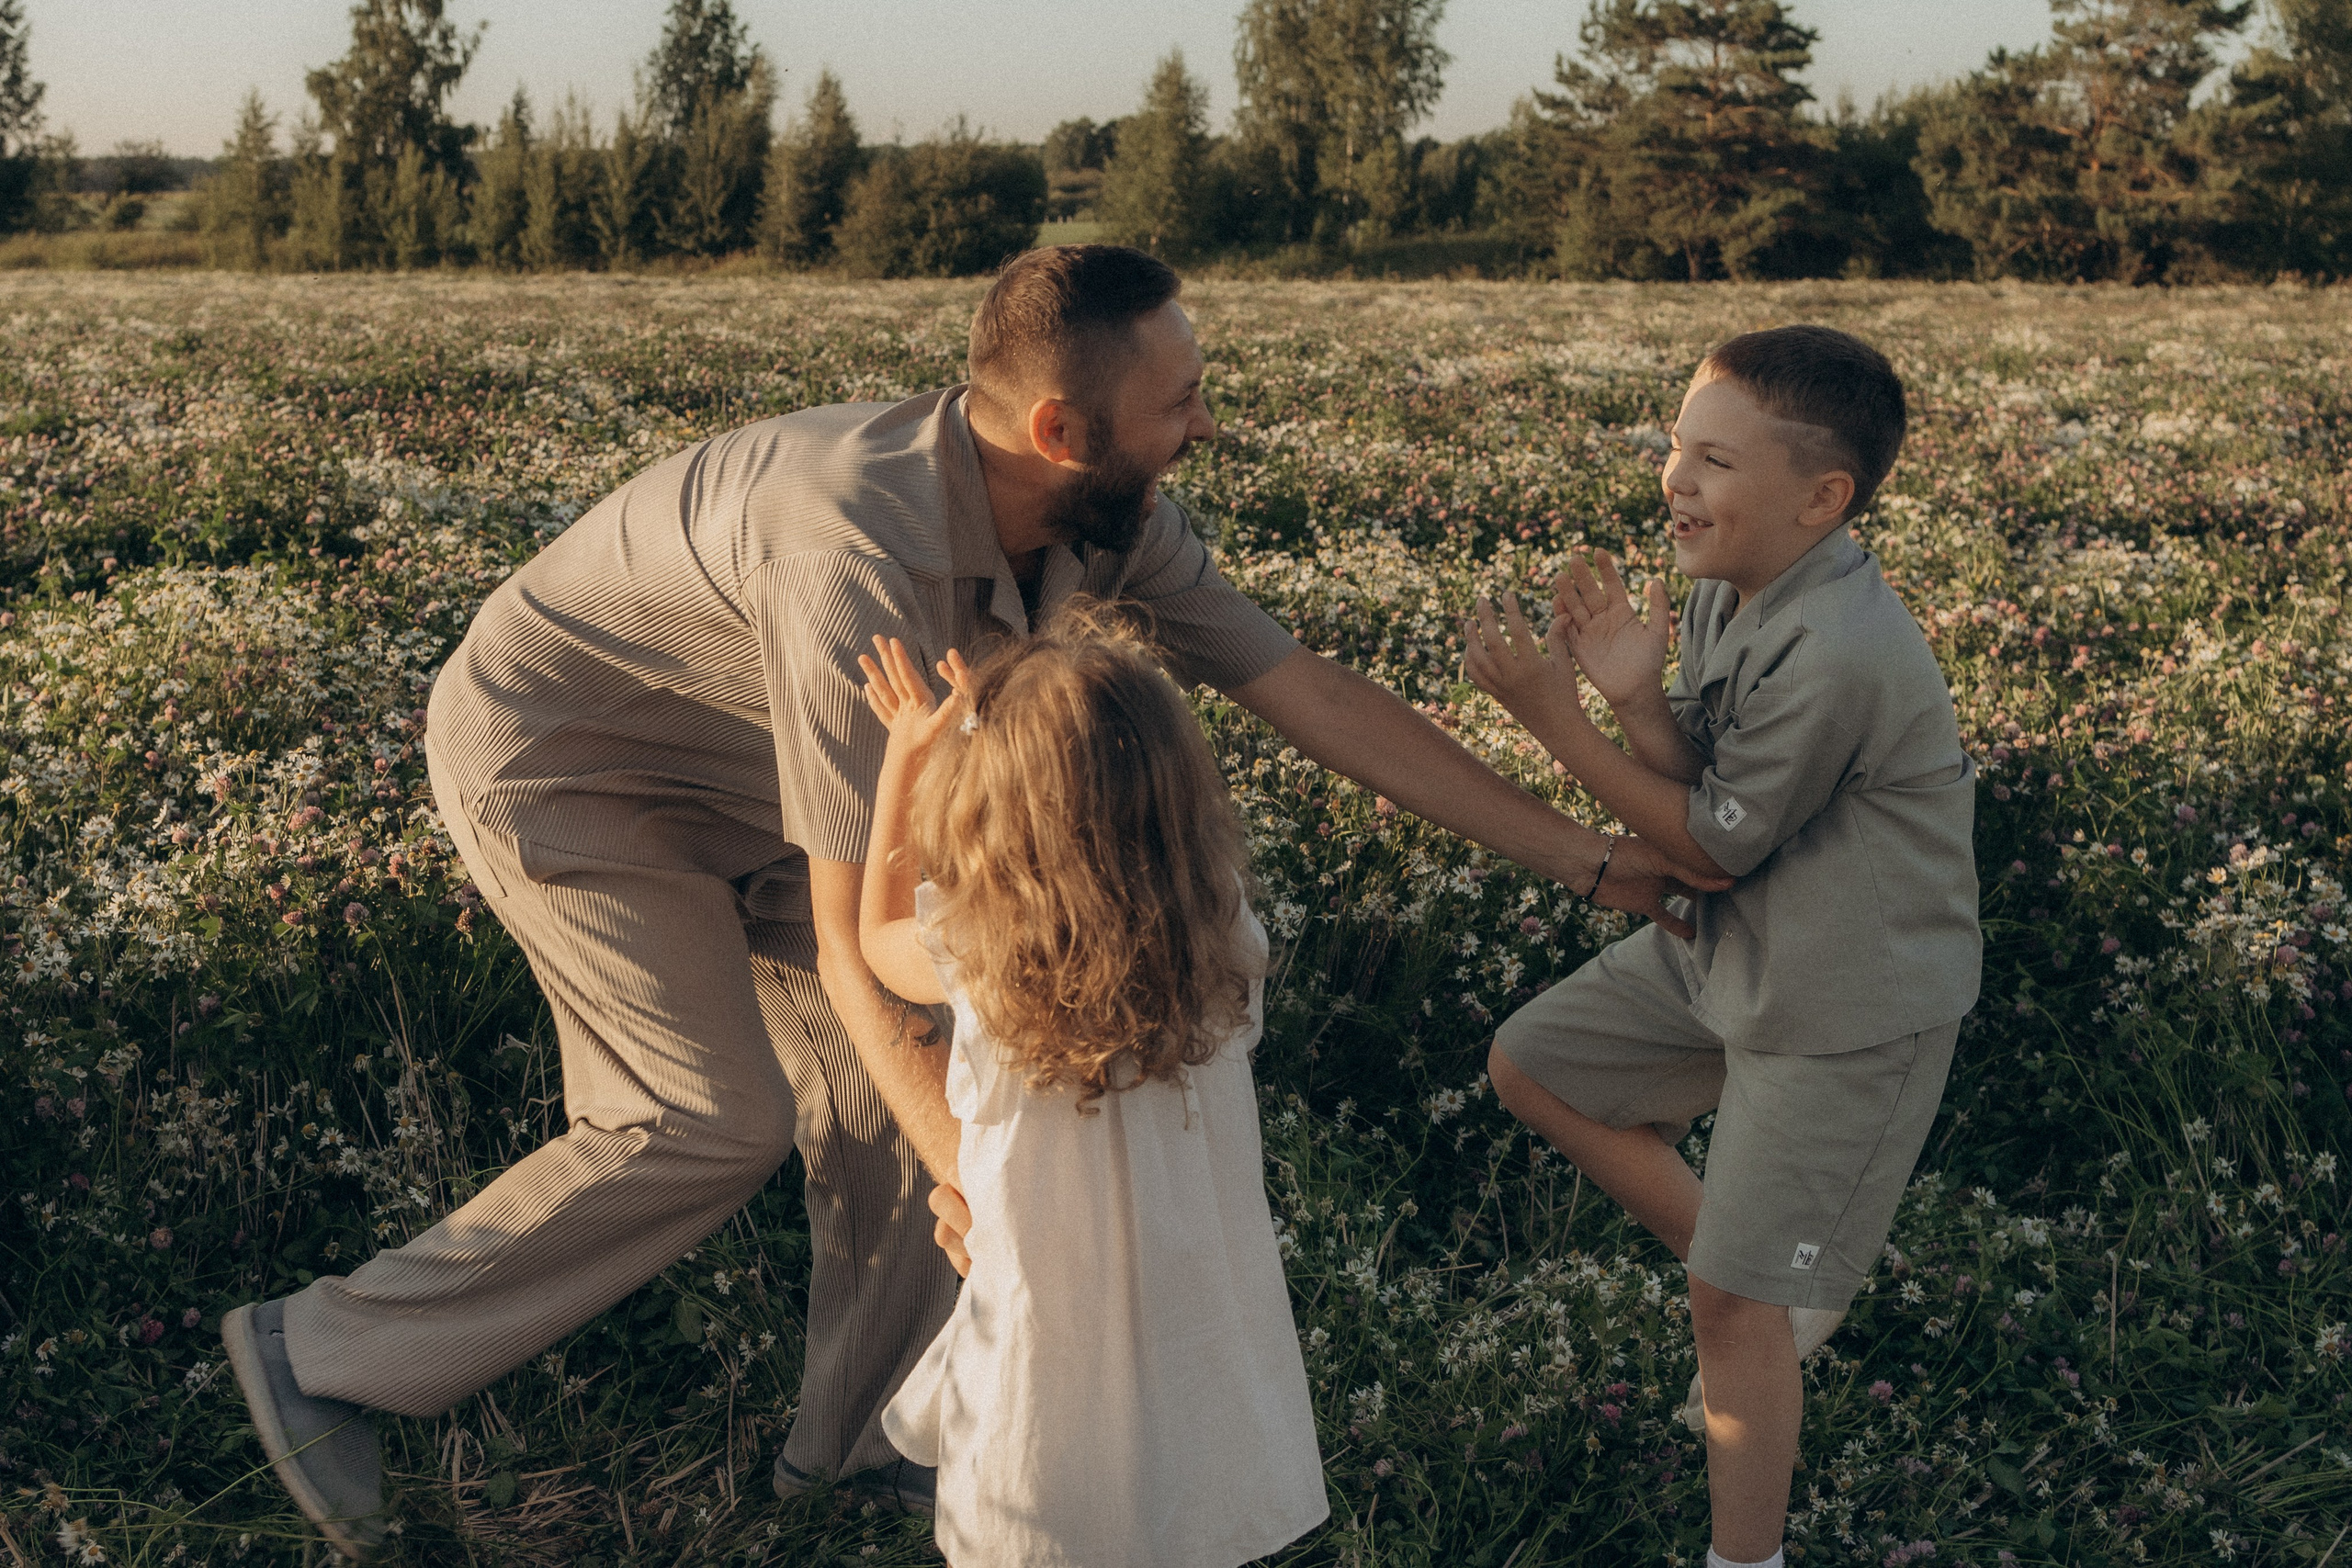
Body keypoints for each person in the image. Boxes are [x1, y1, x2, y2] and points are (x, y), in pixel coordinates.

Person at [220, 244, 1715, 1560]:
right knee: (706, 1118)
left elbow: (1301, 688)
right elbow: (864, 929)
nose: (1206, 419)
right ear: (1065, 426)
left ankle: (863, 1457)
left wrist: (1590, 858)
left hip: (796, 780)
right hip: (577, 769)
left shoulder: (1104, 513)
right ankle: (329, 1352)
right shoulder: (853, 551)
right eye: (1182, 396)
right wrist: (993, 1184)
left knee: (908, 1103)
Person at [1461, 325, 1981, 1568]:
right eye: (1676, 448)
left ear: (1821, 498)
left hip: (1847, 1001)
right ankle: (1768, 1275)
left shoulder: (1841, 647)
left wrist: (1559, 721)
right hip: (1734, 950)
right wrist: (1642, 699)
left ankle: (1745, 1548)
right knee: (1537, 1062)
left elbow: (1713, 845)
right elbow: (1704, 778)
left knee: (1728, 1305)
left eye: (1712, 459)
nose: (1674, 480)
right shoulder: (1726, 589)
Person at [854, 617, 1326, 1567]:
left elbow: (871, 940)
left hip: (1044, 1331)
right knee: (1193, 1485)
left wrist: (905, 761)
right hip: (1195, 1306)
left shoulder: (980, 956)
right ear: (1177, 794)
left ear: (982, 814)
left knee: (1042, 1495)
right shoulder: (1222, 929)